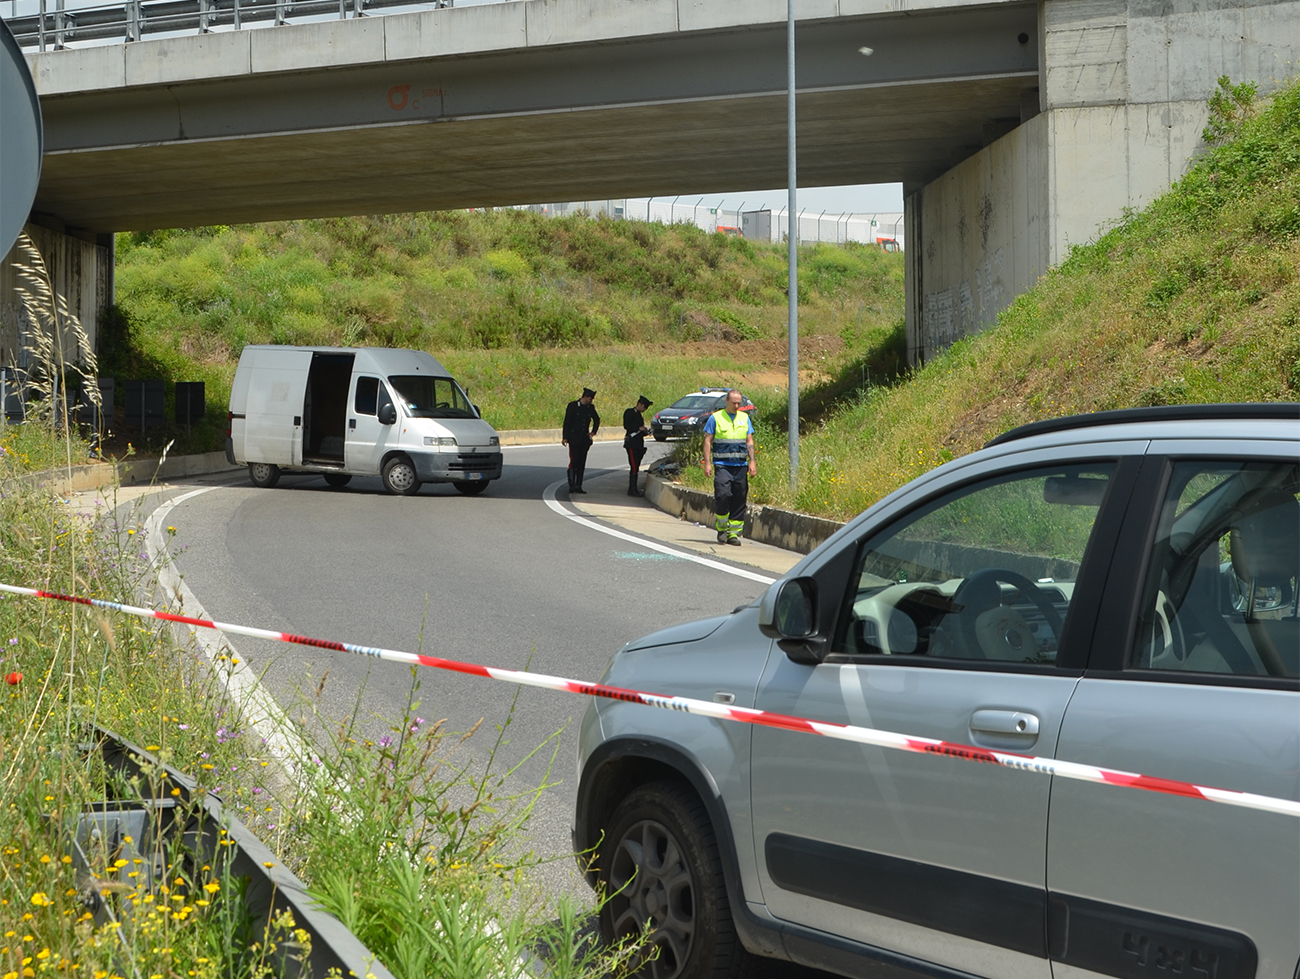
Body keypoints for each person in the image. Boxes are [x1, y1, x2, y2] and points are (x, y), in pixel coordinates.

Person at [701, 389, 756, 546]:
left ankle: (733, 534)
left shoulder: (744, 418)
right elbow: (707, 441)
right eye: (734, 403)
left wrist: (752, 462)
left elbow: (749, 441)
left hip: (740, 466)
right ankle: (722, 528)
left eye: (739, 403)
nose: (737, 405)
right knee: (723, 495)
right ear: (727, 401)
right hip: (722, 465)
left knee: (739, 498)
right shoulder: (716, 418)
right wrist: (707, 463)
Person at [562, 387, 600, 493]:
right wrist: (565, 437)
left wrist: (593, 432)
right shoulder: (573, 406)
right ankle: (572, 485)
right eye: (590, 398)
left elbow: (596, 419)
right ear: (585, 397)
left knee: (581, 462)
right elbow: (567, 422)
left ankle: (578, 485)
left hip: (584, 439)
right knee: (574, 461)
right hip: (574, 438)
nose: (591, 401)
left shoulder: (590, 408)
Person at [622, 395, 653, 497]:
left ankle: (633, 488)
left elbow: (640, 431)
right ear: (639, 404)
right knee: (634, 466)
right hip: (631, 443)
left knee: (637, 466)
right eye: (644, 407)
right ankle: (632, 489)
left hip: (639, 444)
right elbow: (627, 425)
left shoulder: (640, 415)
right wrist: (639, 428)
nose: (644, 410)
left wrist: (646, 431)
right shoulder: (629, 412)